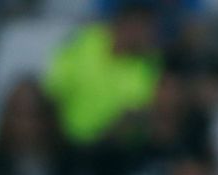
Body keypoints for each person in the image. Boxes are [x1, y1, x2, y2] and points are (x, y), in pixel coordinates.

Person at [41, 0, 161, 146]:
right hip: (61, 137)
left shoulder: (147, 67)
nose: (146, 34)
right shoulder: (86, 40)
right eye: (141, 26)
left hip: (109, 147)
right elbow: (55, 84)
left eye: (149, 28)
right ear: (123, 22)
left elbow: (135, 112)